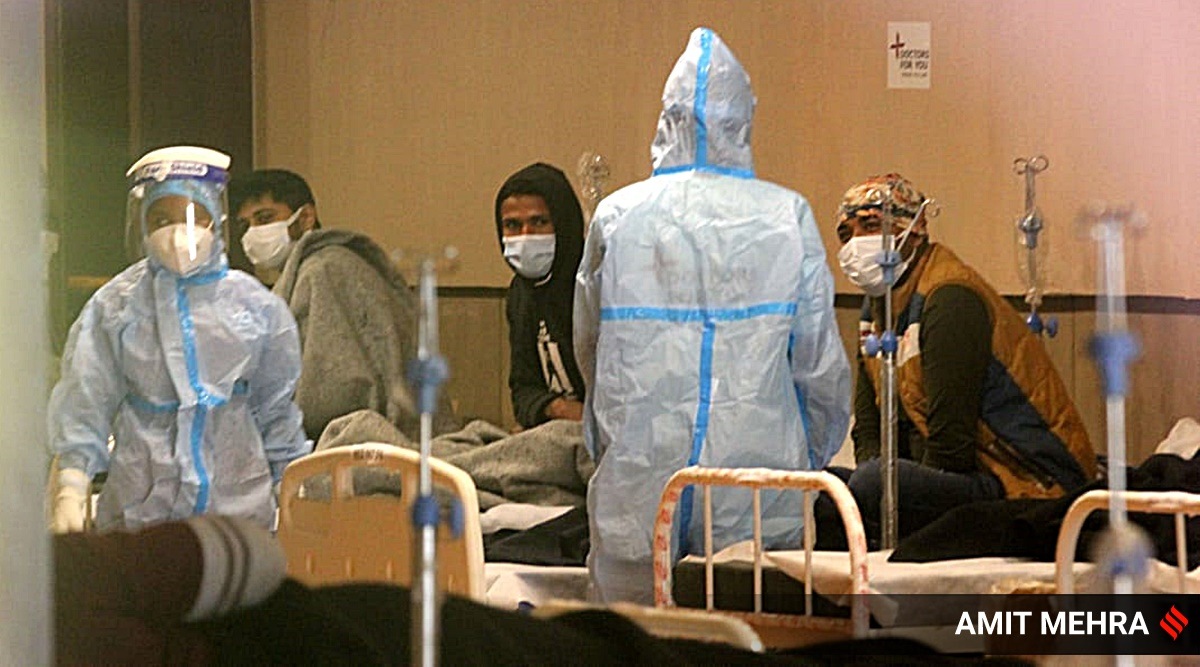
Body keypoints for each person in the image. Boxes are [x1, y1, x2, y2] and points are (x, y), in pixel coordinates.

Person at [574, 28, 852, 604]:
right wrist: (807, 458)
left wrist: (608, 444)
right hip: (758, 493)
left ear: (668, 118)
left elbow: (591, 352)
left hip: (638, 485)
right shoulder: (786, 217)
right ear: (743, 121)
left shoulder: (617, 217)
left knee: (629, 639)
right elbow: (820, 368)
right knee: (752, 632)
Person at [47, 146, 310, 533]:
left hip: (238, 506)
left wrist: (291, 485)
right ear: (142, 225)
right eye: (160, 219)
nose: (176, 232)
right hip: (142, 506)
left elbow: (276, 410)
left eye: (193, 216)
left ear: (215, 221)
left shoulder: (255, 306)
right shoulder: (115, 306)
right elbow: (87, 397)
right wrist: (71, 486)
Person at [830, 172, 1098, 544]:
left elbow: (950, 448)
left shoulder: (949, 299)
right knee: (826, 490)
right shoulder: (877, 308)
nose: (856, 242)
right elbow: (868, 429)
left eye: (872, 226)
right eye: (847, 233)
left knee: (873, 485)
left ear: (913, 230)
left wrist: (888, 492)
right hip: (947, 472)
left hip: (1023, 480)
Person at [229, 169, 458, 442]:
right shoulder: (333, 263)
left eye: (265, 218)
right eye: (245, 225)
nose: (253, 233)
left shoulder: (324, 271)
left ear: (305, 217)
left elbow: (335, 391)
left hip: (365, 442)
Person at [494, 163, 587, 429]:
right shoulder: (520, 294)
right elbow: (523, 391)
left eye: (539, 222)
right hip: (555, 430)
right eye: (513, 225)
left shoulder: (596, 285)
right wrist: (556, 408)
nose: (525, 236)